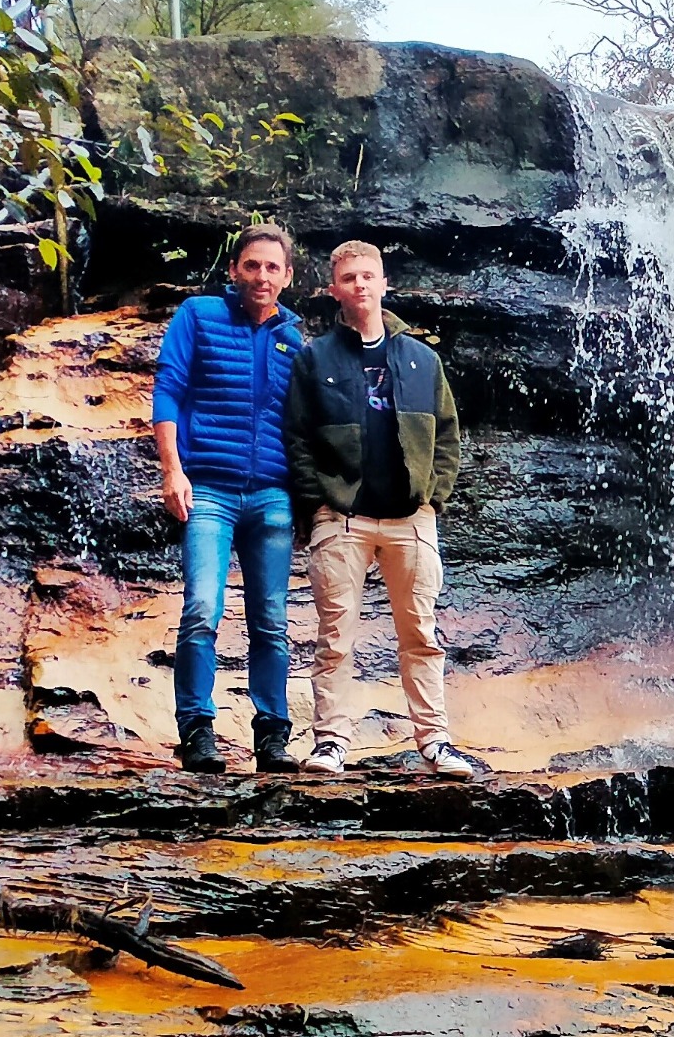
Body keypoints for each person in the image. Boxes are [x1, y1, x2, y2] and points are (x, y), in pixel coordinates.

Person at [283, 240, 488, 777]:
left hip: (410, 519)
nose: (360, 285)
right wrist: (318, 499)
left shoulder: (422, 359)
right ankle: (330, 742)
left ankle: (436, 741)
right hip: (342, 518)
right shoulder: (315, 358)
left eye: (368, 276)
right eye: (349, 278)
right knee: (335, 636)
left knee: (421, 633)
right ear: (335, 289)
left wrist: (433, 497)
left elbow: (447, 435)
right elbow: (297, 438)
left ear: (384, 282)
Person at [153, 224, 308, 773]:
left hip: (271, 495)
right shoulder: (198, 315)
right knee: (201, 611)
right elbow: (168, 389)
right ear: (234, 270)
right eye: (252, 265)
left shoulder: (295, 337)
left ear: (287, 277)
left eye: (272, 267)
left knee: (271, 621)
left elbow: (305, 423)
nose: (261, 276)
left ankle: (272, 738)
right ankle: (196, 729)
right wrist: (173, 471)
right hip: (210, 490)